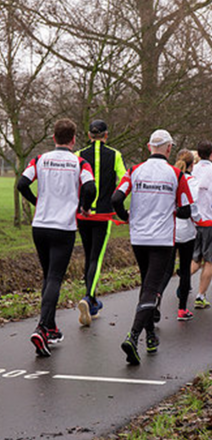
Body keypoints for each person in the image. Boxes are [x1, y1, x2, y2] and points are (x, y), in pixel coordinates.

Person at [112, 129, 193, 365]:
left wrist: (126, 217)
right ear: (169, 149)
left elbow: (116, 199)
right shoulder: (176, 175)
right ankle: (133, 335)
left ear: (149, 147)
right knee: (152, 289)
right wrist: (172, 209)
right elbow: (187, 210)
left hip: (138, 237)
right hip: (162, 239)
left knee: (147, 285)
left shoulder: (134, 171)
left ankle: (150, 336)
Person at [18, 119, 96, 356]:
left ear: (54, 138)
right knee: (54, 277)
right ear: (73, 140)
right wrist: (84, 206)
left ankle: (50, 327)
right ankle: (41, 327)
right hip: (63, 227)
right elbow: (91, 188)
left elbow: (22, 183)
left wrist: (37, 202)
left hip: (40, 225)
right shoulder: (80, 162)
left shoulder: (40, 159)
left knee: (48, 277)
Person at [75, 120, 126, 326]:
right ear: (106, 135)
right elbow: (124, 179)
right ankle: (88, 296)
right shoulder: (115, 155)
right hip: (103, 214)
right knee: (96, 256)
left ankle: (93, 301)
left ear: (89, 135)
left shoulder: (78, 154)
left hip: (82, 214)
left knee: (89, 255)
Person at [156, 149, 200, 321]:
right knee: (184, 270)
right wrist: (199, 220)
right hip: (186, 230)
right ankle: (182, 310)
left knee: (166, 269)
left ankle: (157, 296)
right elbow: (192, 206)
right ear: (191, 165)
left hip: (168, 228)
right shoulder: (191, 181)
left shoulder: (168, 177)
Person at [191, 140, 212, 309]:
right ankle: (200, 295)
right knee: (209, 260)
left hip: (192, 221)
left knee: (194, 258)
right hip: (210, 222)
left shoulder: (190, 170)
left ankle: (181, 282)